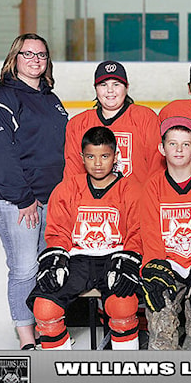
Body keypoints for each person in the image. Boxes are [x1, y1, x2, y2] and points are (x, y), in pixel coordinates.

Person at [0, 33, 69, 350]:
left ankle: (46, 324)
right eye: (28, 54)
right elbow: (0, 158)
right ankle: (27, 336)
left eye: (41, 55)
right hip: (14, 199)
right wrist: (24, 199)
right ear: (14, 58)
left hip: (47, 197)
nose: (35, 60)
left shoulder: (50, 98)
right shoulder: (1, 100)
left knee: (45, 262)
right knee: (24, 267)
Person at [28, 126, 144, 350]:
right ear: (82, 157)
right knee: (45, 308)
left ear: (116, 157)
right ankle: (61, 373)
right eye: (91, 156)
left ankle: (126, 373)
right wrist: (56, 258)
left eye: (105, 156)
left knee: (123, 308)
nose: (98, 163)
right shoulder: (67, 189)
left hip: (115, 259)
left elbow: (137, 232)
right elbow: (58, 231)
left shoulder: (132, 190)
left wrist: (130, 259)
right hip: (77, 260)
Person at [137, 117, 191, 350]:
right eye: (172, 143)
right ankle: (165, 380)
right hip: (167, 268)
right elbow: (150, 231)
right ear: (161, 148)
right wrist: (156, 267)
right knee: (161, 325)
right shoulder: (153, 185)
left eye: (186, 144)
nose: (179, 149)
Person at [64, 60, 162, 187]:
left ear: (126, 87)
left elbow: (157, 167)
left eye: (116, 84)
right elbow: (73, 172)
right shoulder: (78, 124)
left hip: (136, 202)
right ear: (95, 89)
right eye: (103, 85)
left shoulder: (145, 118)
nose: (110, 90)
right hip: (94, 203)